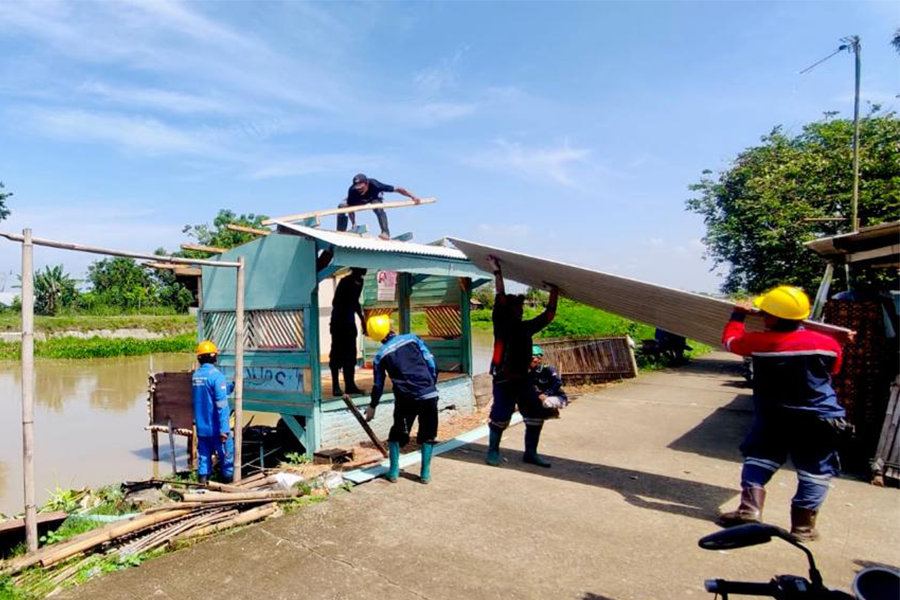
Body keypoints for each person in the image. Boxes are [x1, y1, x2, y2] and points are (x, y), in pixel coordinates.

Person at [718, 285, 847, 542]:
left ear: (774, 318)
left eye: (766, 313)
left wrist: (738, 315)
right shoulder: (828, 343)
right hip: (820, 418)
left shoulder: (759, 342)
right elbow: (834, 370)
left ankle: (749, 510)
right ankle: (803, 527)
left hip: (775, 416)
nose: (764, 317)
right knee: (815, 470)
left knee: (760, 457)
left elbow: (730, 342)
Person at [486, 256, 560, 468]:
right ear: (509, 310)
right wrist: (497, 271)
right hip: (503, 379)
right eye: (517, 308)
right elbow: (500, 295)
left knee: (536, 414)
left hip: (524, 380)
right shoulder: (501, 324)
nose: (520, 311)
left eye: (520, 308)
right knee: (501, 416)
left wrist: (554, 292)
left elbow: (548, 316)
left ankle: (531, 453)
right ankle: (493, 451)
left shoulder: (526, 328)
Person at [364, 315, 439, 484]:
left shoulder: (380, 356)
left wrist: (372, 406)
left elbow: (378, 385)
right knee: (428, 434)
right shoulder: (412, 339)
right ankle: (425, 474)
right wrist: (431, 383)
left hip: (406, 400)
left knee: (397, 434)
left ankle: (393, 473)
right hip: (428, 395)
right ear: (391, 328)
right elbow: (430, 362)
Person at [192, 341, 235, 484]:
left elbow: (208, 393)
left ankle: (202, 486)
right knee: (227, 457)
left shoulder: (196, 376)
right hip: (217, 428)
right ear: (213, 357)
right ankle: (228, 486)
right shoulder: (217, 376)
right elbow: (221, 404)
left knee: (204, 458)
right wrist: (224, 429)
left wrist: (230, 387)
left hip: (202, 427)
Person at [338, 173, 421, 240]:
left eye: (361, 188)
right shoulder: (352, 190)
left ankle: (385, 232)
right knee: (341, 206)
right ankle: (340, 231)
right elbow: (351, 208)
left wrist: (413, 197)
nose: (360, 190)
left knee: (377, 207)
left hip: (374, 198)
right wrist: (353, 223)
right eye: (357, 189)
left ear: (367, 184)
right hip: (360, 201)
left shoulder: (375, 184)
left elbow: (398, 189)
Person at [329, 267, 367, 397]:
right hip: (339, 323)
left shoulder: (360, 282)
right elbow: (336, 302)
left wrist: (362, 320)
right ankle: (335, 386)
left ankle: (350, 385)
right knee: (336, 355)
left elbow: (356, 302)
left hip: (349, 323)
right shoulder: (345, 281)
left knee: (350, 356)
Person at [529, 345, 568, 416]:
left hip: (557, 397)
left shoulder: (548, 369)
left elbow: (558, 382)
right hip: (541, 397)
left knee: (545, 402)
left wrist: (546, 393)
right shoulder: (531, 373)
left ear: (539, 359)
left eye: (532, 359)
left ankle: (553, 411)